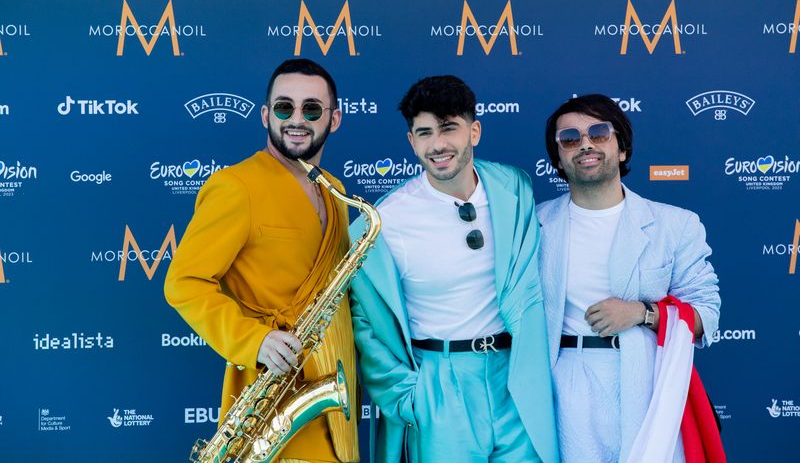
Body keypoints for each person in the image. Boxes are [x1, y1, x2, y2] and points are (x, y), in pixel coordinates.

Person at [349, 75, 558, 463]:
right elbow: (364, 322)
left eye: (449, 128)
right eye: (424, 132)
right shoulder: (381, 224)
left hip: (514, 376)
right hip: (439, 385)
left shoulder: (513, 187)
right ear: (411, 141)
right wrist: (407, 396)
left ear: (474, 131)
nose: (438, 144)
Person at [164, 58, 358, 463]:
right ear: (266, 115)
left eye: (312, 109)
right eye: (284, 107)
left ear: (334, 119)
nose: (297, 119)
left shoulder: (335, 192)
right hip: (270, 394)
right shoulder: (235, 186)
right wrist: (256, 341)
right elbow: (183, 283)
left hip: (330, 391)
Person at [536, 94, 721, 462]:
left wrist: (641, 312)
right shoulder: (533, 226)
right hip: (563, 388)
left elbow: (707, 315)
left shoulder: (675, 224)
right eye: (570, 138)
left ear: (622, 148)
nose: (585, 143)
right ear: (558, 158)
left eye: (600, 132)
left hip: (648, 386)